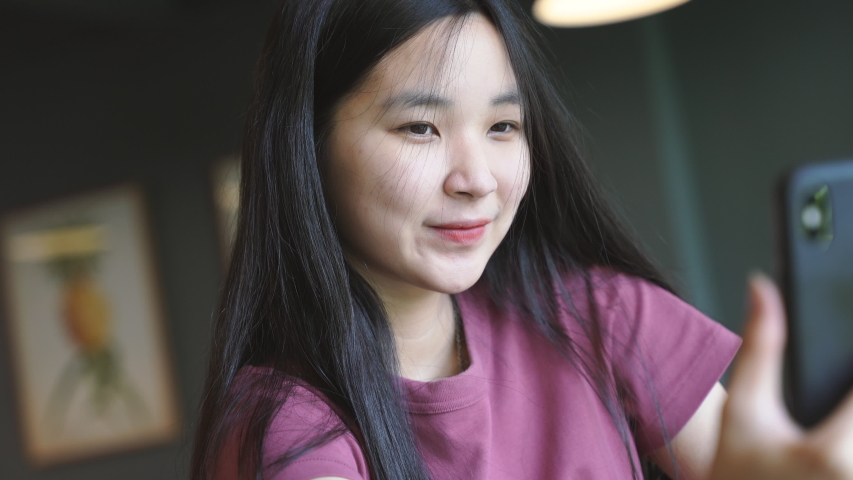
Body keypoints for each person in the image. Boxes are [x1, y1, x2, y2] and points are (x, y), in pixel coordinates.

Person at [190, 1, 853, 479]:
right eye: (420, 128)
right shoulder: (288, 428)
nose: (477, 179)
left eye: (503, 127)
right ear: (306, 147)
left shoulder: (599, 316)